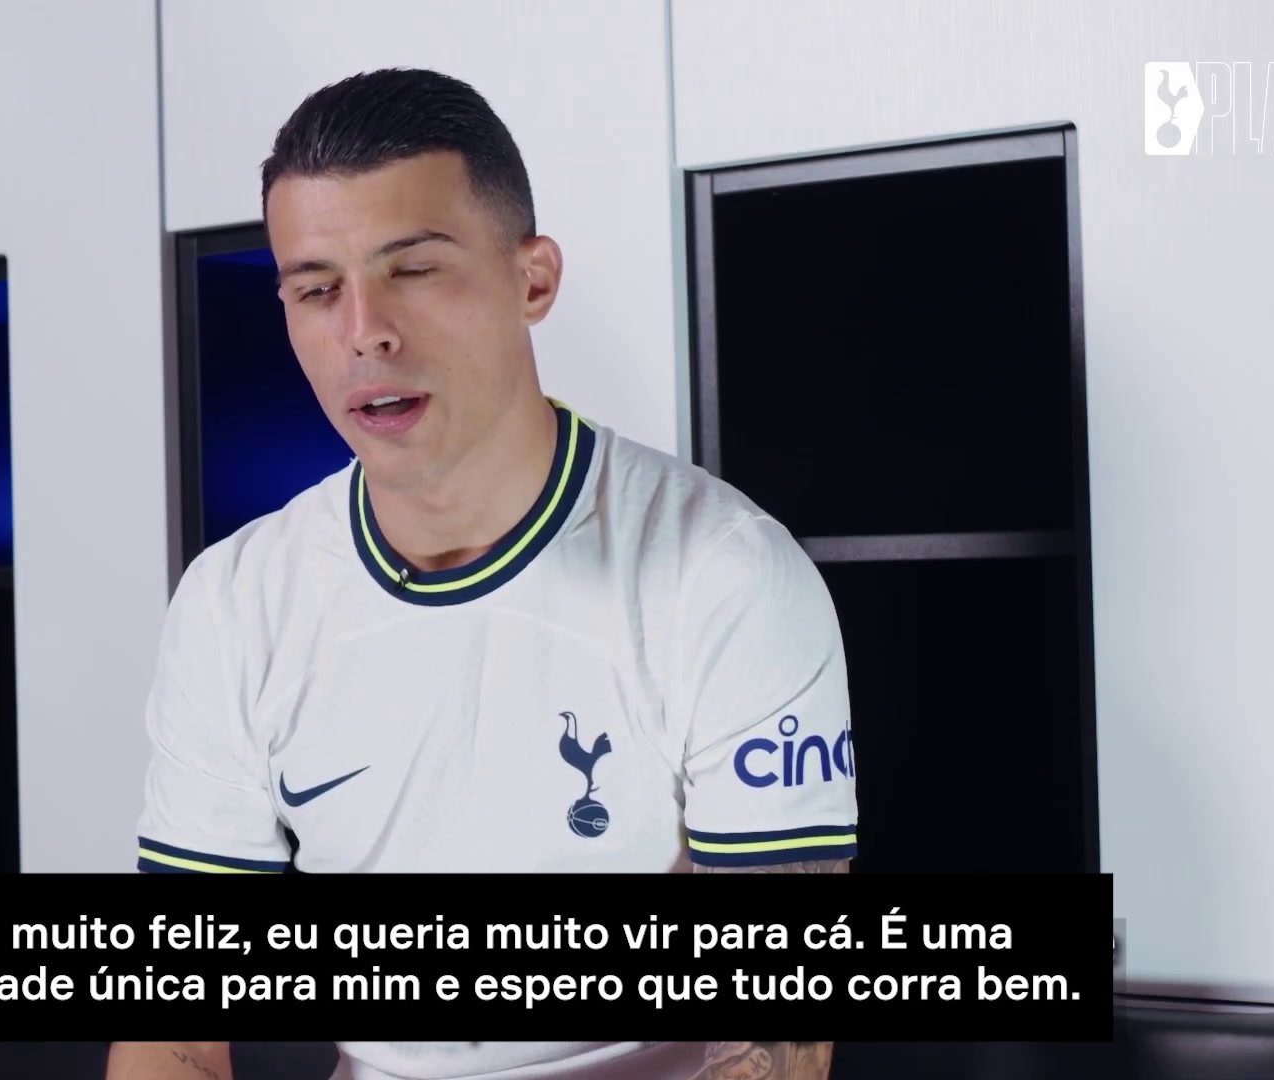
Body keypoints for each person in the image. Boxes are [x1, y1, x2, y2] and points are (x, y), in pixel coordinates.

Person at [106, 68, 854, 1080]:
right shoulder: (236, 603)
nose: (365, 330)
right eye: (316, 290)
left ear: (533, 280)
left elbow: (779, 1031)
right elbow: (175, 1030)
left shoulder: (723, 575)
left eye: (413, 270)